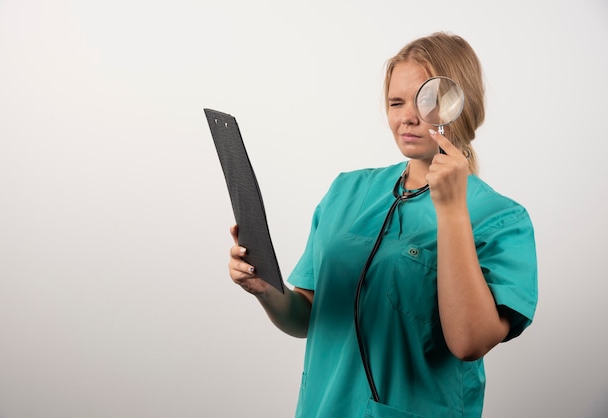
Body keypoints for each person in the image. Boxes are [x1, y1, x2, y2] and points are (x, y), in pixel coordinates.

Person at [228, 32, 538, 418]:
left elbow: (469, 342)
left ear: (460, 104)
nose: (407, 116)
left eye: (425, 102)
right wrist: (264, 290)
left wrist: (453, 211)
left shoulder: (500, 218)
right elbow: (307, 316)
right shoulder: (346, 191)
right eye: (396, 102)